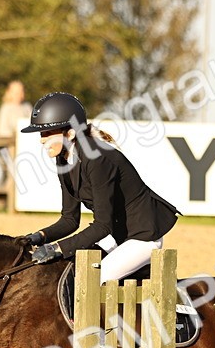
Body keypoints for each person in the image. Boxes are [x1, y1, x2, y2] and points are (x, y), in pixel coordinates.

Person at [20, 92, 180, 283]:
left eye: (47, 133)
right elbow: (70, 220)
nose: (42, 140)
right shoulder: (63, 160)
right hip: (115, 233)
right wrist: (37, 238)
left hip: (142, 236)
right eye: (41, 134)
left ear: (70, 132)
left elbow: (102, 225)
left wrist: (57, 248)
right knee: (66, 268)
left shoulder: (97, 157)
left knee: (93, 280)